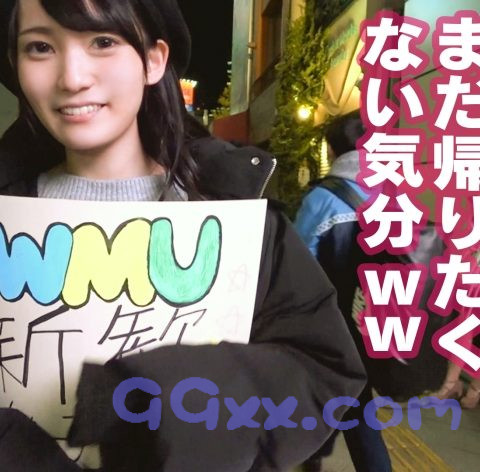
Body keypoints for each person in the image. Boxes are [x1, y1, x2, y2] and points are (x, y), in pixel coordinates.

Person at [0, 1, 366, 471]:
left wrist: (166, 401)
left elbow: (324, 372)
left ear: (154, 61)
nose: (72, 77)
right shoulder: (10, 214)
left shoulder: (236, 218)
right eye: (39, 47)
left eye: (103, 41)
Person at [294, 110, 392, 472]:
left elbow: (298, 266)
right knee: (347, 397)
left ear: (333, 151)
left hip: (334, 325)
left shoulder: (321, 198)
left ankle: (314, 459)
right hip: (382, 318)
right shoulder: (395, 192)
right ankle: (312, 457)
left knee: (348, 404)